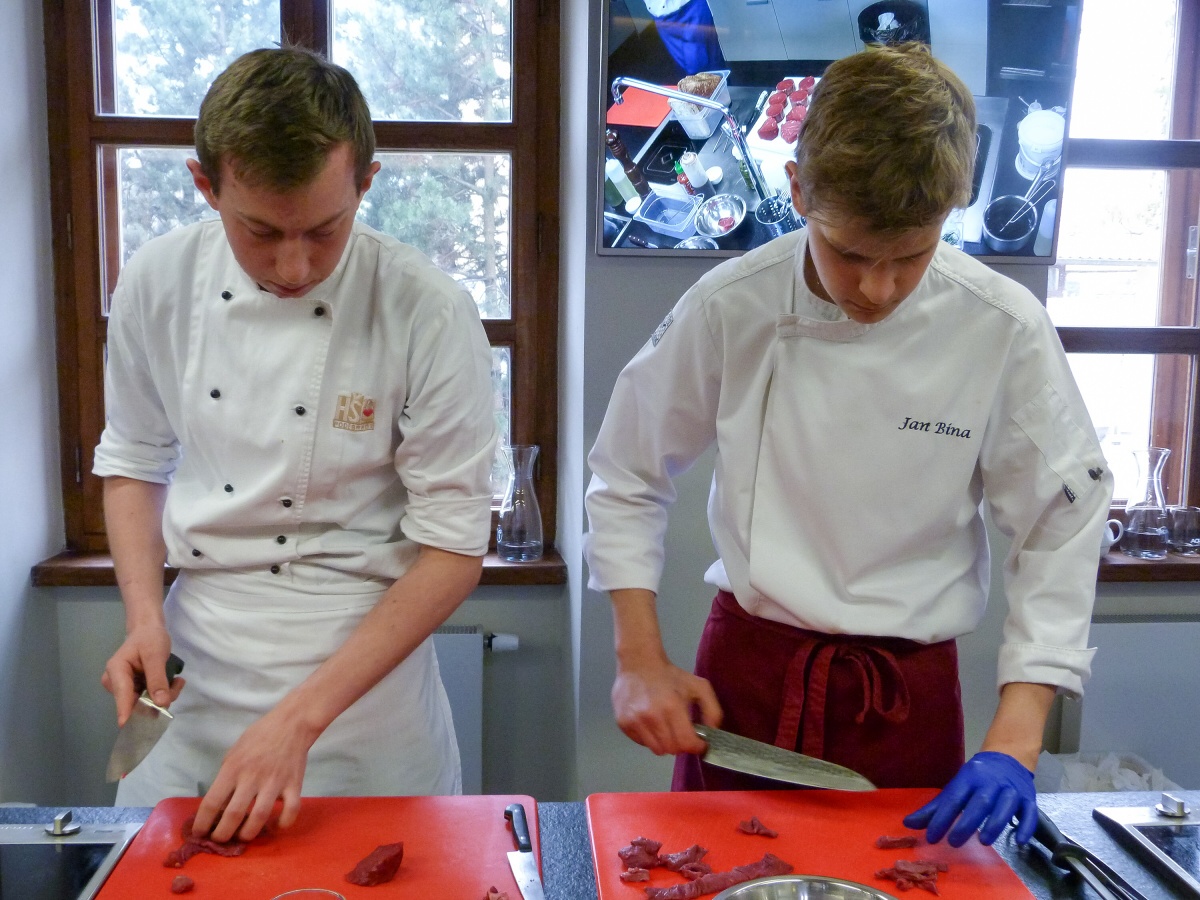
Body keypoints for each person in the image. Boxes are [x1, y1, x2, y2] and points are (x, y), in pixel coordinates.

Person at [584, 42, 1113, 848]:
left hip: (906, 695)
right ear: (798, 190)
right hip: (747, 682)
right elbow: (627, 470)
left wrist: (1017, 733)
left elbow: (1063, 518)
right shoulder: (732, 304)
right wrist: (638, 658)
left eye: (911, 257)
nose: (877, 289)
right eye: (850, 254)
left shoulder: (1002, 327)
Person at [94, 47, 497, 843]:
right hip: (197, 674)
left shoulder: (427, 309)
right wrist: (143, 620)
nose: (293, 264)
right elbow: (135, 463)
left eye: (323, 230)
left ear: (366, 183)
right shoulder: (156, 281)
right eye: (260, 231)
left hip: (364, 699)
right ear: (205, 185)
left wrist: (298, 721)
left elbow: (453, 549)